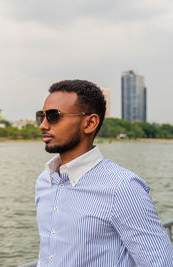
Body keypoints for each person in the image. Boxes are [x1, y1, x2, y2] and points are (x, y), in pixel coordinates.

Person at [35, 80, 173, 266]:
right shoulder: (45, 181)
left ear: (90, 123)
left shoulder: (123, 188)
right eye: (41, 116)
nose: (43, 125)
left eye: (53, 116)